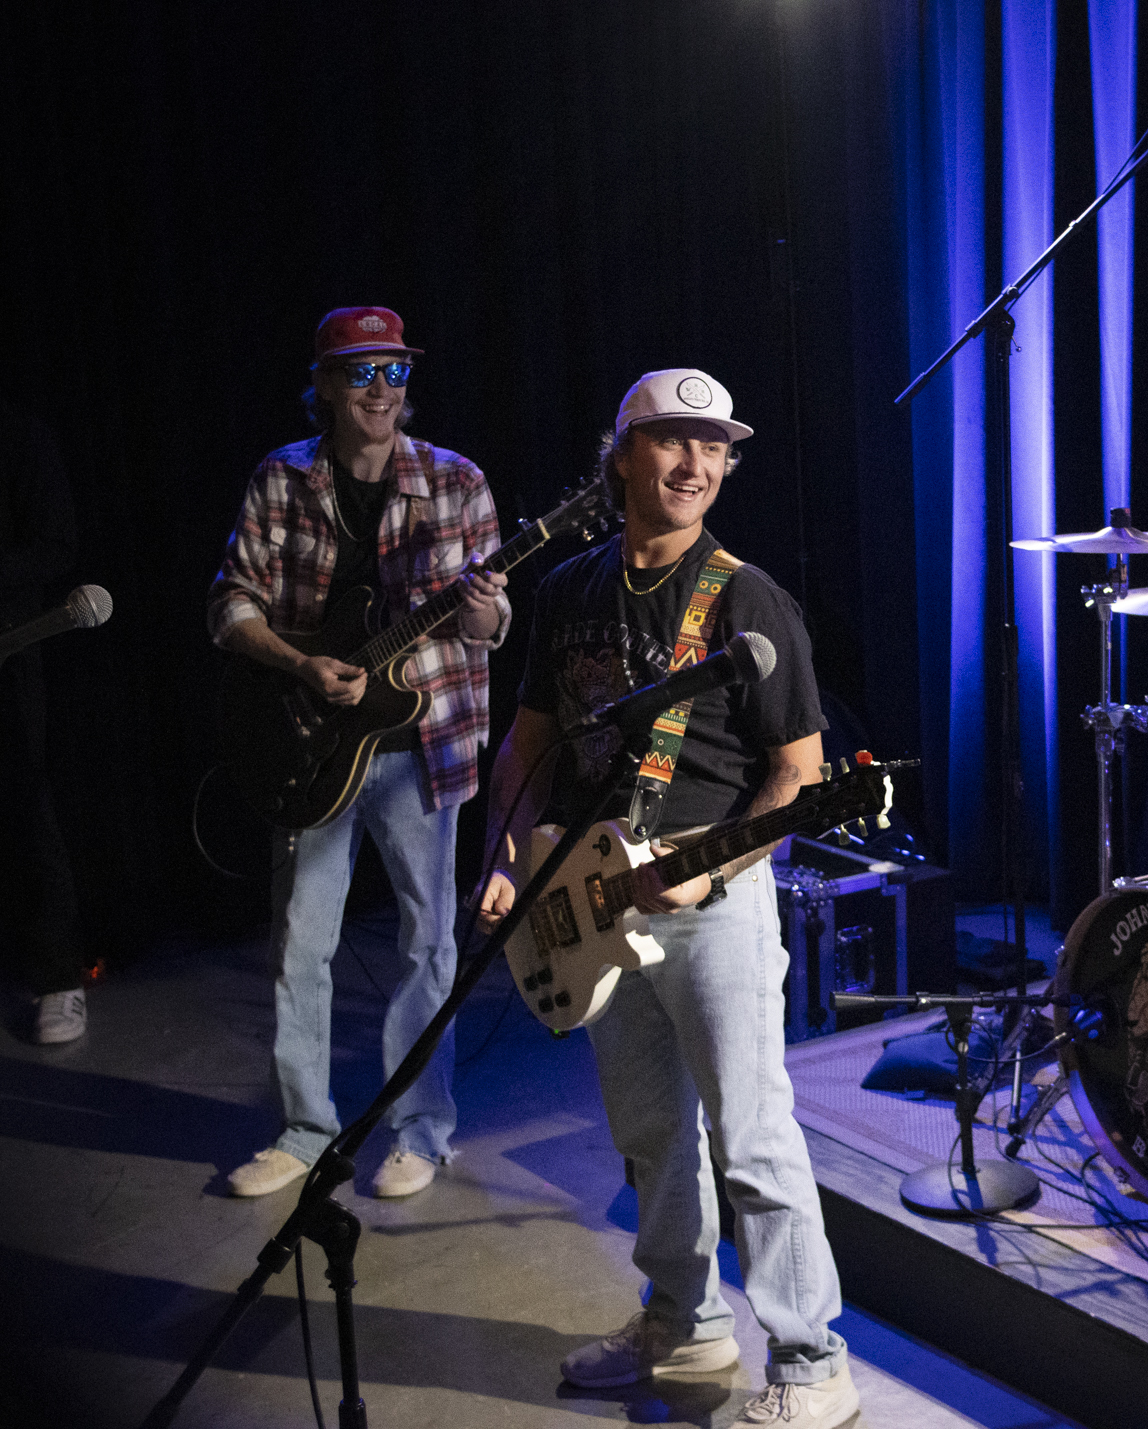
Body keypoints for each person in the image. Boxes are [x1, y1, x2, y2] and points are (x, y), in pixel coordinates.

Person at [476, 369, 859, 1428]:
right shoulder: (567, 591)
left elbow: (798, 774)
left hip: (711, 902)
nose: (694, 464)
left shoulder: (746, 598)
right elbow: (530, 743)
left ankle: (811, 1358)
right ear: (622, 457)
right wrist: (506, 859)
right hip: (593, 897)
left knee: (752, 1134)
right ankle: (682, 1326)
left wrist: (719, 863)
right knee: (649, 1130)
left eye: (714, 446)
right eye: (670, 441)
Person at [209, 307, 509, 1200]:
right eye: (362, 372)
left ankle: (421, 1129)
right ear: (328, 386)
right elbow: (229, 604)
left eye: (396, 372)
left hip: (426, 741)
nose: (383, 389)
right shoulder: (282, 478)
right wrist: (304, 664)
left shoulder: (458, 482)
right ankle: (305, 1129)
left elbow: (492, 630)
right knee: (303, 939)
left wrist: (486, 603)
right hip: (314, 740)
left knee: (428, 941)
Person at [0, 400, 90, 1044]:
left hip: (7, 647)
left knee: (25, 807)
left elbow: (56, 540)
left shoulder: (16, 428)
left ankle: (59, 980)